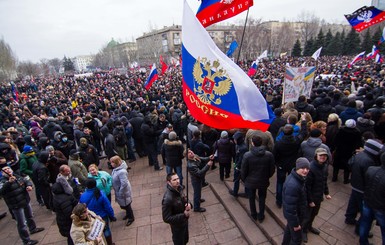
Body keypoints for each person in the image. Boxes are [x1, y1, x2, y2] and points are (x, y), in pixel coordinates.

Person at [0, 166, 44, 245]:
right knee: (22, 224)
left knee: (30, 216)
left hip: (25, 201)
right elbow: (1, 191)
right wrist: (9, 183)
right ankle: (26, 241)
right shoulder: (3, 181)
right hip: (16, 205)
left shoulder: (16, 176)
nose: (7, 170)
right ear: (3, 173)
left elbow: (26, 180)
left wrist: (29, 185)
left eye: (8, 168)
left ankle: (33, 228)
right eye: (5, 170)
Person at [241, 135, 275, 222]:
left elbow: (244, 170)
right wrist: (267, 176)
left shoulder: (247, 155)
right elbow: (272, 169)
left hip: (250, 181)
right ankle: (261, 215)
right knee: (262, 197)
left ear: (252, 143)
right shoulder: (269, 155)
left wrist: (244, 179)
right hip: (263, 180)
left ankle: (253, 214)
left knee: (251, 197)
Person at [302, 148, 332, 243]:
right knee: (306, 216)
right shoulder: (311, 168)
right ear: (316, 156)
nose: (323, 157)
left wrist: (326, 193)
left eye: (325, 155)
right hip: (311, 198)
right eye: (321, 155)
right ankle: (303, 231)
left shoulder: (324, 166)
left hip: (318, 197)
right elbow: (307, 187)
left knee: (314, 213)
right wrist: (310, 201)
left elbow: (324, 181)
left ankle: (309, 227)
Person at [282, 158, 310, 245]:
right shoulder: (293, 185)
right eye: (303, 168)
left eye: (307, 168)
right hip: (295, 216)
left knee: (289, 231)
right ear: (297, 168)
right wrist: (296, 224)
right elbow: (290, 208)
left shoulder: (297, 178)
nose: (305, 171)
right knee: (297, 240)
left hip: (295, 216)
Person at [359, 152, 385, 245]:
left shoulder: (371, 169)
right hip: (381, 208)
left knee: (365, 223)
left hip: (367, 202)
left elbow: (366, 182)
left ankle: (363, 241)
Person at [80, 178, 116, 245]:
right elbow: (107, 206)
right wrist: (112, 215)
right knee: (106, 230)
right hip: (102, 216)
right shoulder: (101, 194)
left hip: (91, 217)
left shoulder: (82, 196)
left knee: (95, 232)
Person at [162, 172, 191, 245]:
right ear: (168, 182)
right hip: (177, 227)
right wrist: (183, 215)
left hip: (184, 222)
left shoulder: (179, 188)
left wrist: (189, 203)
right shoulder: (167, 199)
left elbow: (184, 198)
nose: (177, 181)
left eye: (178, 178)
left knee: (185, 240)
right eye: (174, 180)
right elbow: (166, 218)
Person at [110, 155, 135, 226]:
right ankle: (128, 214)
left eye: (112, 162)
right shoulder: (116, 169)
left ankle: (131, 217)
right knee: (125, 204)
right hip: (120, 190)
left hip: (123, 191)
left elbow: (124, 183)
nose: (111, 164)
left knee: (127, 204)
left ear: (116, 163)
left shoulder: (121, 172)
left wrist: (120, 191)